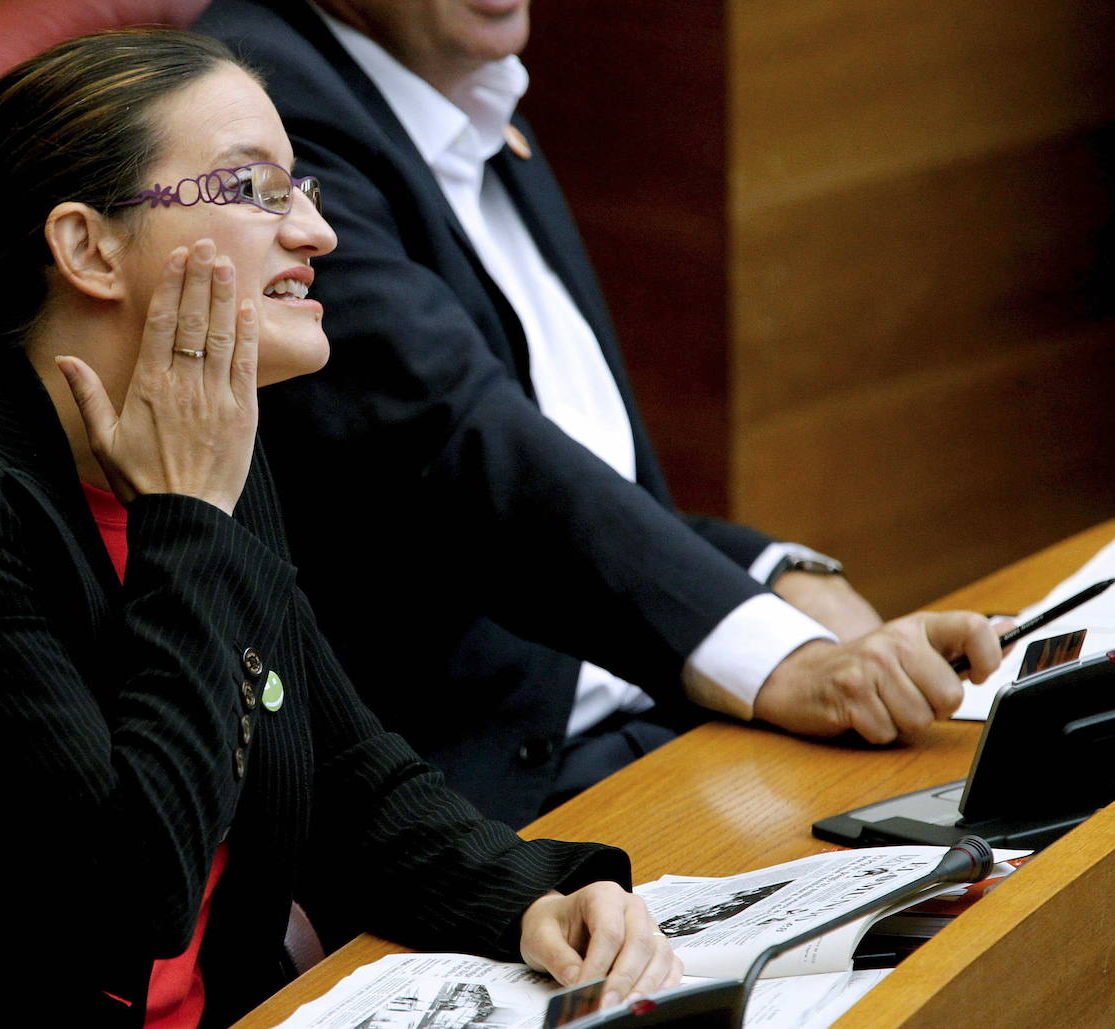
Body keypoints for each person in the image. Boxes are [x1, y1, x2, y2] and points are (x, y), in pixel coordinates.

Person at [0, 30, 680, 1028]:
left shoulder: (207, 434)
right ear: (87, 247)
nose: (317, 234)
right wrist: (186, 519)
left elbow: (343, 772)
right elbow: (128, 896)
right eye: (255, 190)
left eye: (305, 189)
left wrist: (531, 900)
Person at [193, 0, 1006, 827]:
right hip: (485, 798)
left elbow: (595, 483)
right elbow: (458, 445)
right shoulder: (263, 94)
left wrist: (786, 579)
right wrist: (788, 659)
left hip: (662, 722)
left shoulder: (473, 97)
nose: (305, 222)